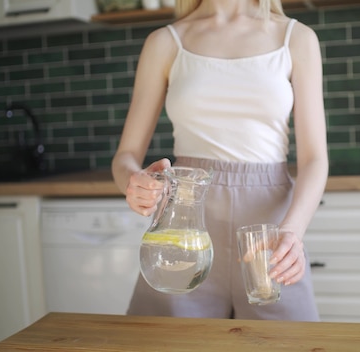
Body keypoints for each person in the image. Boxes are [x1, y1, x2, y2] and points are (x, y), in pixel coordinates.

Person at [111, 0, 328, 321]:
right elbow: (125, 157)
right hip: (184, 232)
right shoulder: (166, 42)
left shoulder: (296, 38)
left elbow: (315, 160)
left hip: (270, 237)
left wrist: (292, 234)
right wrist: (133, 182)